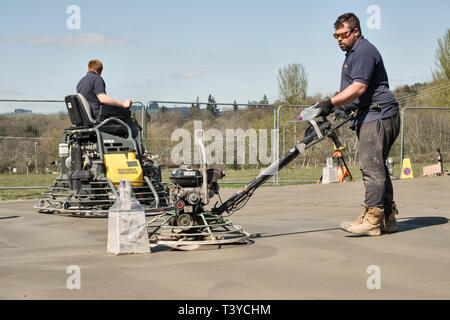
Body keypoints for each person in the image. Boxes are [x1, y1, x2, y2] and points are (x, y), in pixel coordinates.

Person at [313, 13, 400, 236]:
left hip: (378, 115)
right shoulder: (352, 54)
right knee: (378, 167)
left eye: (343, 34)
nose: (339, 39)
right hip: (373, 115)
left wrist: (330, 102)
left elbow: (358, 88)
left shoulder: (362, 51)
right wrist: (332, 114)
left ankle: (371, 220)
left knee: (371, 167)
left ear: (356, 31)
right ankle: (387, 218)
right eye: (336, 35)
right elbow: (351, 95)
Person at [76, 59, 138, 138]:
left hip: (84, 119)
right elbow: (102, 98)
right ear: (100, 71)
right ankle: (137, 147)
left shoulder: (80, 82)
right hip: (98, 118)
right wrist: (123, 104)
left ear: (88, 68)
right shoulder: (97, 79)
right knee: (128, 118)